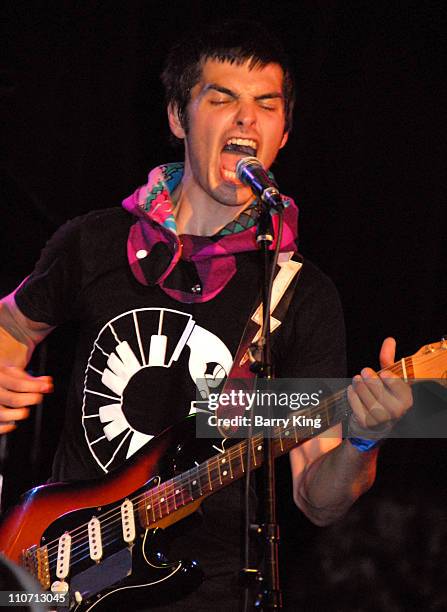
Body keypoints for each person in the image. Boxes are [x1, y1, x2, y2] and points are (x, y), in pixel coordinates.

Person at [0, 21, 412, 611]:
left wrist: (365, 443)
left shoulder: (301, 295)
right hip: (53, 568)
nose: (246, 119)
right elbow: (12, 325)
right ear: (177, 117)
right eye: (222, 99)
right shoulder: (95, 242)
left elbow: (317, 499)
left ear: (284, 134)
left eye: (265, 105)